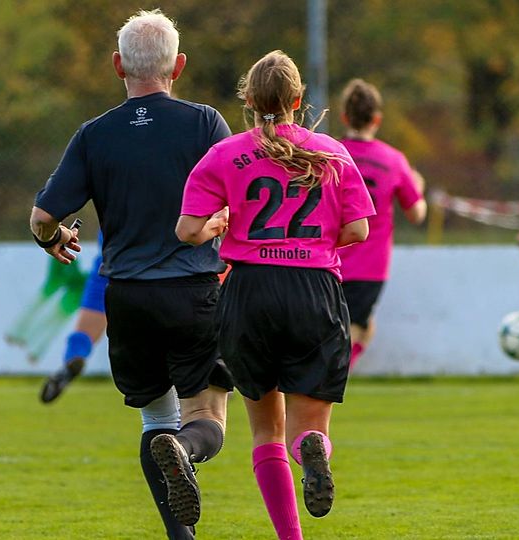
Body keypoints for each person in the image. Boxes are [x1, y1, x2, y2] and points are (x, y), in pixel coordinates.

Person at [30, 10, 234, 538]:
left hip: (126, 296)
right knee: (207, 416)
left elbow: (42, 217)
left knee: (155, 420)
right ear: (179, 66)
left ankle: (179, 532)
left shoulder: (94, 135)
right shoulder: (205, 123)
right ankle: (186, 449)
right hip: (192, 291)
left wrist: (55, 240)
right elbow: (237, 202)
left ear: (118, 65)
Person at [177, 50, 374, 538]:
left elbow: (187, 230)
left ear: (248, 100)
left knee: (266, 431)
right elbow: (358, 230)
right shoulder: (331, 151)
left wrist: (221, 226)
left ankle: (290, 537)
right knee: (309, 428)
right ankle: (311, 448)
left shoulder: (225, 154)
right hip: (314, 289)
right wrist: (314, 242)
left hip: (250, 290)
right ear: (299, 100)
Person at [337, 79, 427, 369]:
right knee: (354, 331)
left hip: (328, 259)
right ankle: (327, 382)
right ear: (377, 119)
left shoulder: (329, 154)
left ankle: (328, 379)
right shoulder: (393, 160)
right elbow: (416, 214)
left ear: (344, 117)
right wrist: (418, 188)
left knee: (357, 328)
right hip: (370, 266)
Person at [40, 232, 109, 404]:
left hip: (109, 259)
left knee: (85, 332)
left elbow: (45, 218)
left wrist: (57, 233)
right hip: (155, 266)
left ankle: (73, 359)